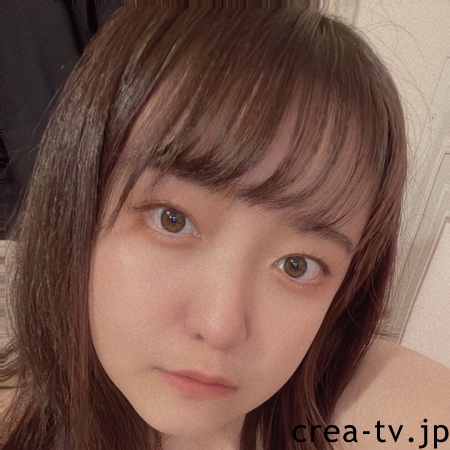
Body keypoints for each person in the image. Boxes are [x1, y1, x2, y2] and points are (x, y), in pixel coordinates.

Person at [1, 4, 449, 450]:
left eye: (297, 265)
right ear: (78, 203)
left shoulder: (355, 410)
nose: (220, 327)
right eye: (172, 220)